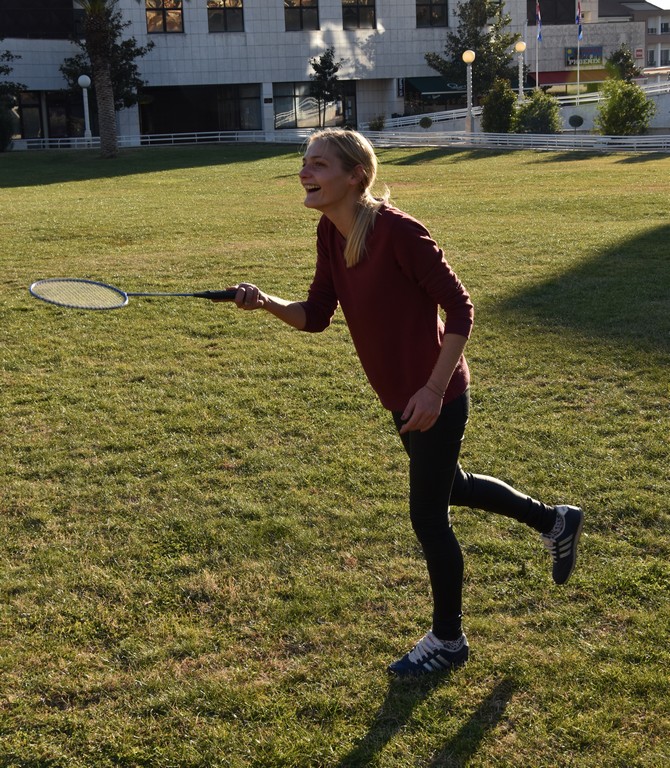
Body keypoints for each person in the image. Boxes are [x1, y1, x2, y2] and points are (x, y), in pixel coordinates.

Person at [227, 128, 583, 677]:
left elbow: (461, 310)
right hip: (401, 396)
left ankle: (449, 641)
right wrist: (265, 302)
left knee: (429, 516)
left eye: (319, 164)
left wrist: (434, 390)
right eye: (304, 162)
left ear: (355, 176)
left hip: (434, 393)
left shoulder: (399, 232)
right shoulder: (330, 232)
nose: (305, 172)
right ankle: (555, 521)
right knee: (451, 486)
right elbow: (317, 315)